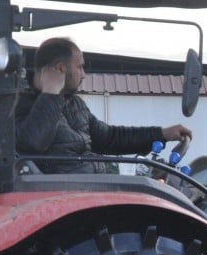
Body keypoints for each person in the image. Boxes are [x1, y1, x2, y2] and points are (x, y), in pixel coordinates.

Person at [15, 37, 193, 174]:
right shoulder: (17, 105)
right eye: (80, 67)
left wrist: (161, 134)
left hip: (96, 186)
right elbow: (32, 145)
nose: (83, 75)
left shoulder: (74, 104)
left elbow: (109, 138)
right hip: (63, 197)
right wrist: (50, 95)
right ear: (61, 69)